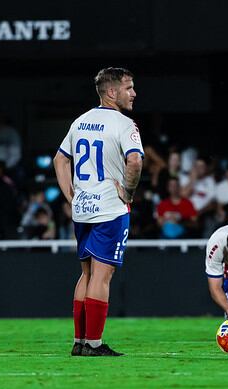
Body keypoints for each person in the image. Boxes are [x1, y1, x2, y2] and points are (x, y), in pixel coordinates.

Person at [53, 67, 143, 357]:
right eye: (128, 88)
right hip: (109, 208)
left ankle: (80, 342)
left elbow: (60, 160)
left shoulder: (81, 121)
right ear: (112, 92)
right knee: (102, 277)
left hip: (83, 208)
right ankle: (93, 343)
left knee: (86, 274)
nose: (134, 93)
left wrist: (70, 195)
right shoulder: (124, 124)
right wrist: (127, 193)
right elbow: (135, 162)